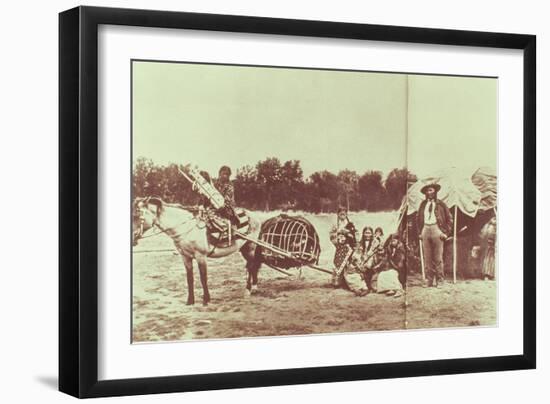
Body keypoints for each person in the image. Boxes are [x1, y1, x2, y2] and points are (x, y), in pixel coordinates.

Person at [417, 183, 453, 287]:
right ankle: (429, 280)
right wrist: (420, 232)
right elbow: (418, 218)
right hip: (425, 229)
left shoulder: (441, 204)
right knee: (427, 257)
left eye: (431, 190)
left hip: (437, 229)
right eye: (427, 191)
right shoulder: (423, 204)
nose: (429, 193)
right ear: (425, 193)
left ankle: (440, 280)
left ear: (435, 192)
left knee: (438, 257)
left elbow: (449, 219)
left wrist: (445, 232)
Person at [329, 229, 365, 295]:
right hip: (338, 264)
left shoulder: (349, 247)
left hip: (347, 265)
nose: (341, 238)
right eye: (339, 237)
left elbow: (353, 255)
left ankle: (357, 289)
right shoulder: (338, 245)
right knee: (336, 281)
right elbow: (332, 239)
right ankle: (338, 283)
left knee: (349, 277)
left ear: (346, 238)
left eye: (343, 237)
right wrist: (333, 232)